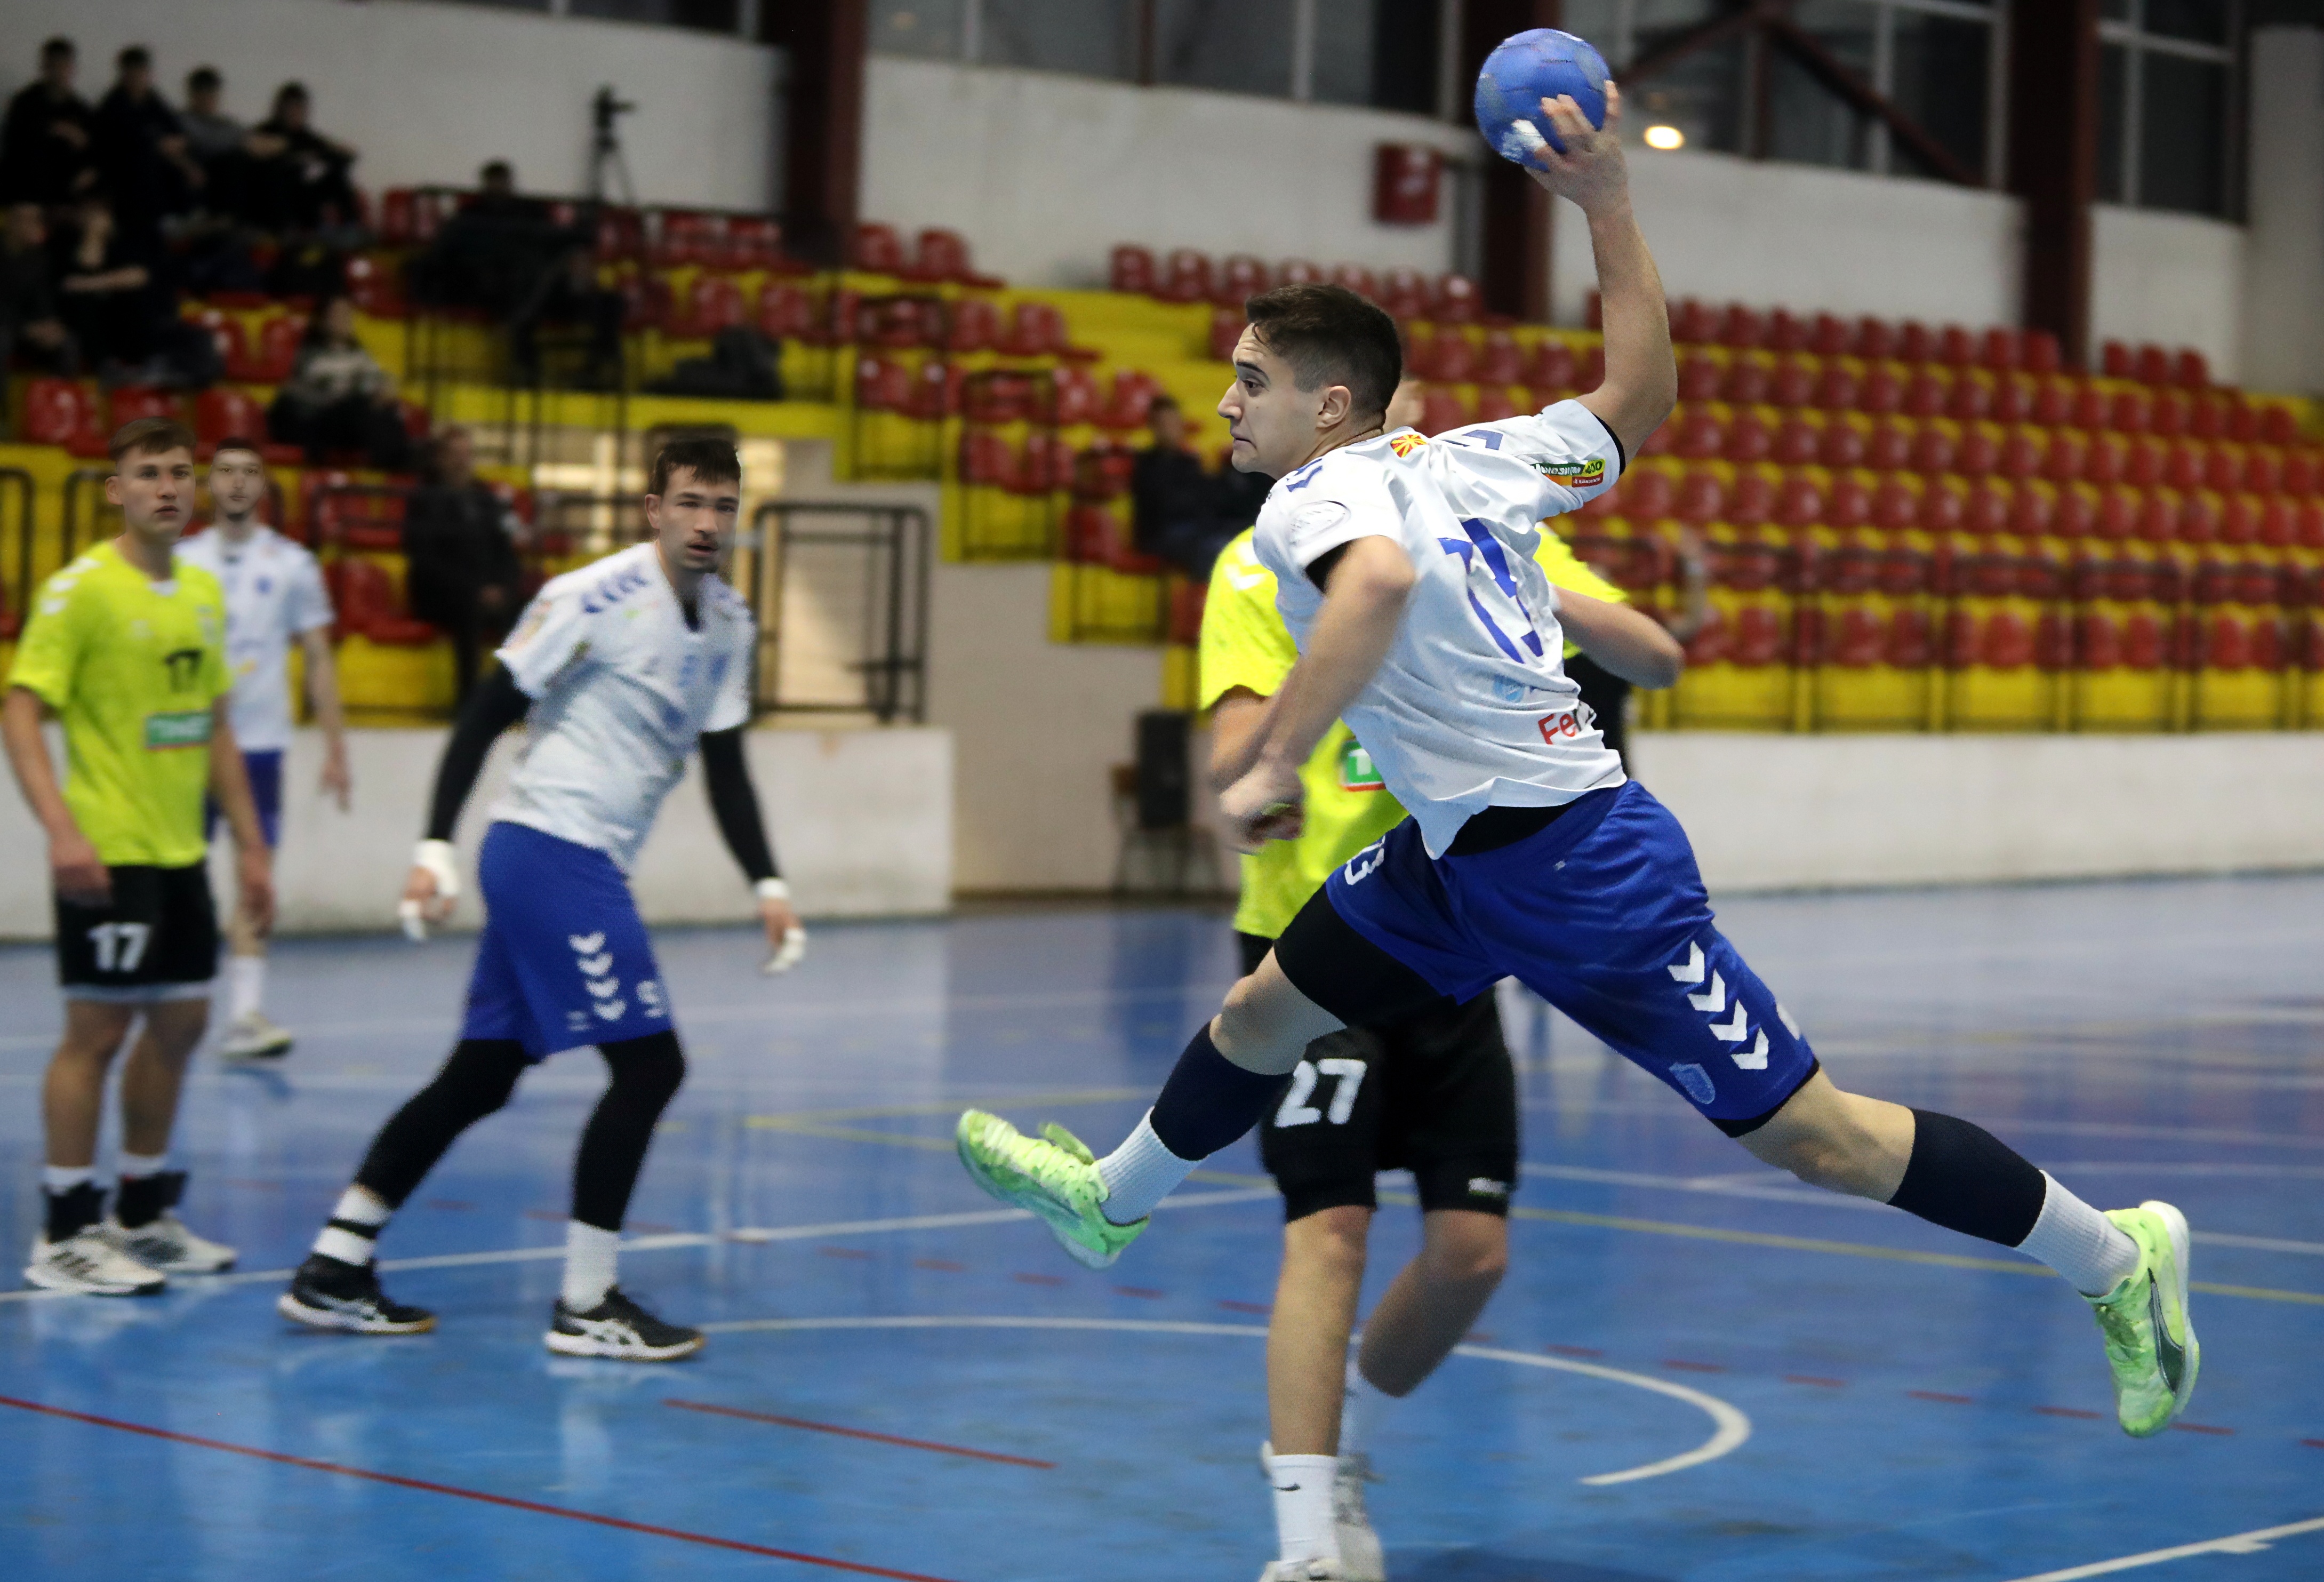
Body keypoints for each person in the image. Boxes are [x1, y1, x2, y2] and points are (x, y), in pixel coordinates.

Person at [956, 90, 2200, 1554]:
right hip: (1454, 855)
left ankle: (2113, 1254)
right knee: (1261, 1006)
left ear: (1331, 404)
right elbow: (1638, 398)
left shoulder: (1311, 500)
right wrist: (1606, 201)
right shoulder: (1469, 458)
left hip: (1576, 867)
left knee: (1816, 1137)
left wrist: (1267, 760)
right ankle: (1110, 1198)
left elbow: (1372, 589)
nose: (1226, 402)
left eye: (1250, 379)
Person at [1201, 429, 1665, 1577]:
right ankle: (1305, 1539)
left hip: (1449, 933)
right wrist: (1321, 694)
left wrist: (1539, 589)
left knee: (1471, 1252)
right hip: (1315, 936)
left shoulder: (1483, 528)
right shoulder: (1264, 558)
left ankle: (1345, 1436)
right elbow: (1228, 748)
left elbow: (1655, 655)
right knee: (1331, 1226)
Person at [279, 437, 808, 1358]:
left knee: (480, 1075)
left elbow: (726, 771)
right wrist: (433, 847)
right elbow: (484, 717)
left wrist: (768, 883)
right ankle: (587, 1301)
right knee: (650, 1068)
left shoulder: (729, 623)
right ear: (652, 510)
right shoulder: (590, 597)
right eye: (689, 502)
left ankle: (335, 1262)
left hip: (577, 862)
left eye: (723, 507)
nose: (705, 523)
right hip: (552, 851)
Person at [2, 417, 273, 1296]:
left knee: (182, 1022)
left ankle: (143, 1214)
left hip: (180, 850)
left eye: (180, 472)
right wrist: (62, 831)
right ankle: (64, 1231)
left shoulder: (201, 589)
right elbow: (19, 711)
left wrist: (253, 846)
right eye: (149, 473)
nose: (168, 487)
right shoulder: (79, 591)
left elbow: (216, 724)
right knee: (98, 1032)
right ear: (116, 490)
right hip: (108, 852)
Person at [176, 440, 350, 1061]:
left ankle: (245, 1015)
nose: (237, 482)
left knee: (254, 878)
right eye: (226, 471)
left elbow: (319, 657)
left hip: (261, 746)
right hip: (187, 743)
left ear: (264, 485)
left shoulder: (293, 564)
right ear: (209, 483)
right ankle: (168, 1003)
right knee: (176, 876)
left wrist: (335, 745)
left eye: (249, 472)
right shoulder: (180, 560)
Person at [402, 426, 527, 703]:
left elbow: (505, 551)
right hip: (442, 594)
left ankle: (516, 698)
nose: (462, 461)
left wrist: (503, 587)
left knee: (527, 611)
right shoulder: (424, 499)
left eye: (466, 454)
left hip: (487, 590)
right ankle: (469, 704)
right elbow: (427, 560)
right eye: (454, 454)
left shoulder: (485, 497)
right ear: (440, 458)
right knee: (470, 610)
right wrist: (475, 589)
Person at [266, 295, 411, 469]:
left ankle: (399, 463)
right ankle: (395, 463)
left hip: (354, 422)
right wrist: (365, 393)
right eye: (337, 315)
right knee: (360, 406)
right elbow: (322, 395)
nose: (344, 320)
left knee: (389, 410)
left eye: (347, 314)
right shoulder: (311, 356)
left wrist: (384, 388)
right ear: (323, 320)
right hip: (321, 422)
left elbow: (377, 381)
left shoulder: (360, 354)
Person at [93, 46, 202, 250]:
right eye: (132, 72)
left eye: (141, 72)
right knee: (146, 159)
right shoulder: (113, 104)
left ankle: (185, 216)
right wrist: (158, 144)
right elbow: (121, 142)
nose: (137, 78)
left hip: (158, 164)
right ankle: (164, 220)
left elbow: (176, 133)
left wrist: (181, 154)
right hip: (123, 169)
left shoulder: (153, 100)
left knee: (186, 162)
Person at [1131, 395, 1241, 580]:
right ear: (1153, 427)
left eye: (1174, 422)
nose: (1171, 429)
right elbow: (1166, 507)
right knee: (1215, 548)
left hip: (1197, 528)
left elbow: (1209, 499)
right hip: (1162, 534)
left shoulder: (1190, 461)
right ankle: (1202, 596)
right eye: (1164, 423)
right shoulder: (1146, 464)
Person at [0, 38, 95, 208]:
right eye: (53, 66)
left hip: (68, 195)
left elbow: (94, 153)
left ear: (72, 68)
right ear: (44, 67)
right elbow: (14, 149)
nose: (58, 72)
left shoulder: (81, 111)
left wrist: (88, 171)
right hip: (27, 192)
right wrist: (55, 130)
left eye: (63, 66)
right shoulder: (25, 104)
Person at [0, 201, 76, 373]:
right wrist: (25, 328)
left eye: (37, 220)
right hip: (8, 326)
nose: (34, 225)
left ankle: (61, 391)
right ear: (10, 222)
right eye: (27, 220)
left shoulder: (38, 259)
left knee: (67, 342)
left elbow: (42, 298)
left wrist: (49, 323)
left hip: (26, 328)